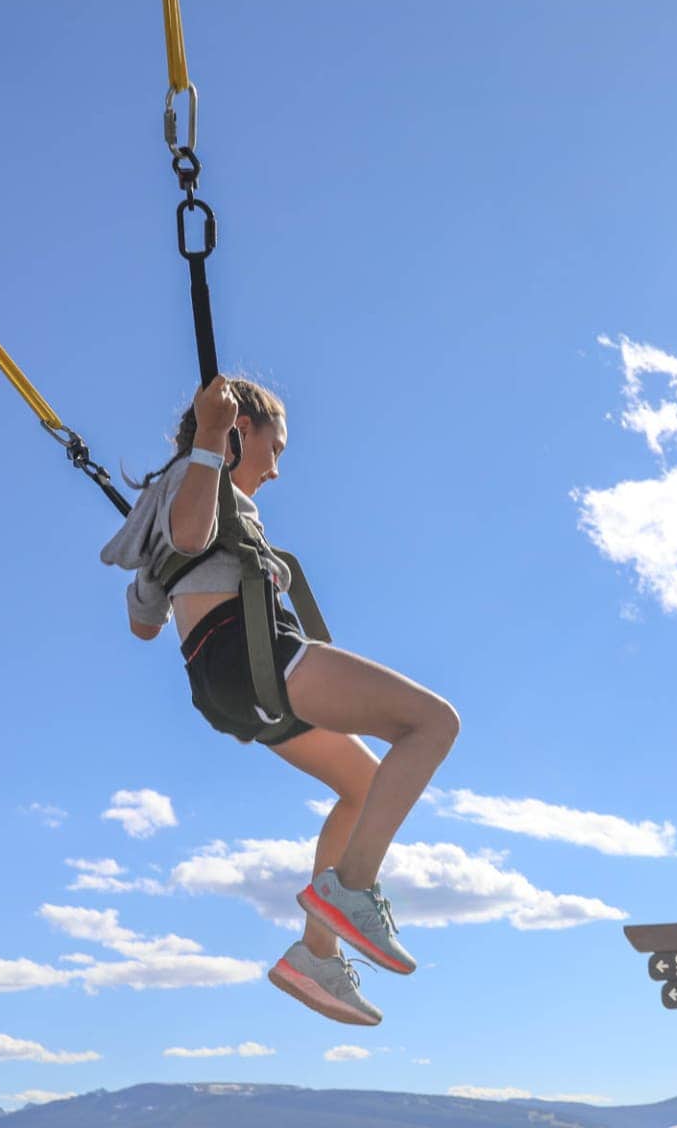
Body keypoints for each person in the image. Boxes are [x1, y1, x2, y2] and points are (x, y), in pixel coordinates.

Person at [100, 375, 461, 1026]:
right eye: (277, 446)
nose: (278, 467)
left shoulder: (186, 501)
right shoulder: (198, 481)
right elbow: (188, 534)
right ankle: (350, 890)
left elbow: (143, 624)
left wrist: (165, 563)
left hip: (225, 690)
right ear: (243, 432)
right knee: (432, 724)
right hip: (253, 655)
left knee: (362, 785)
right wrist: (209, 438)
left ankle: (314, 955)